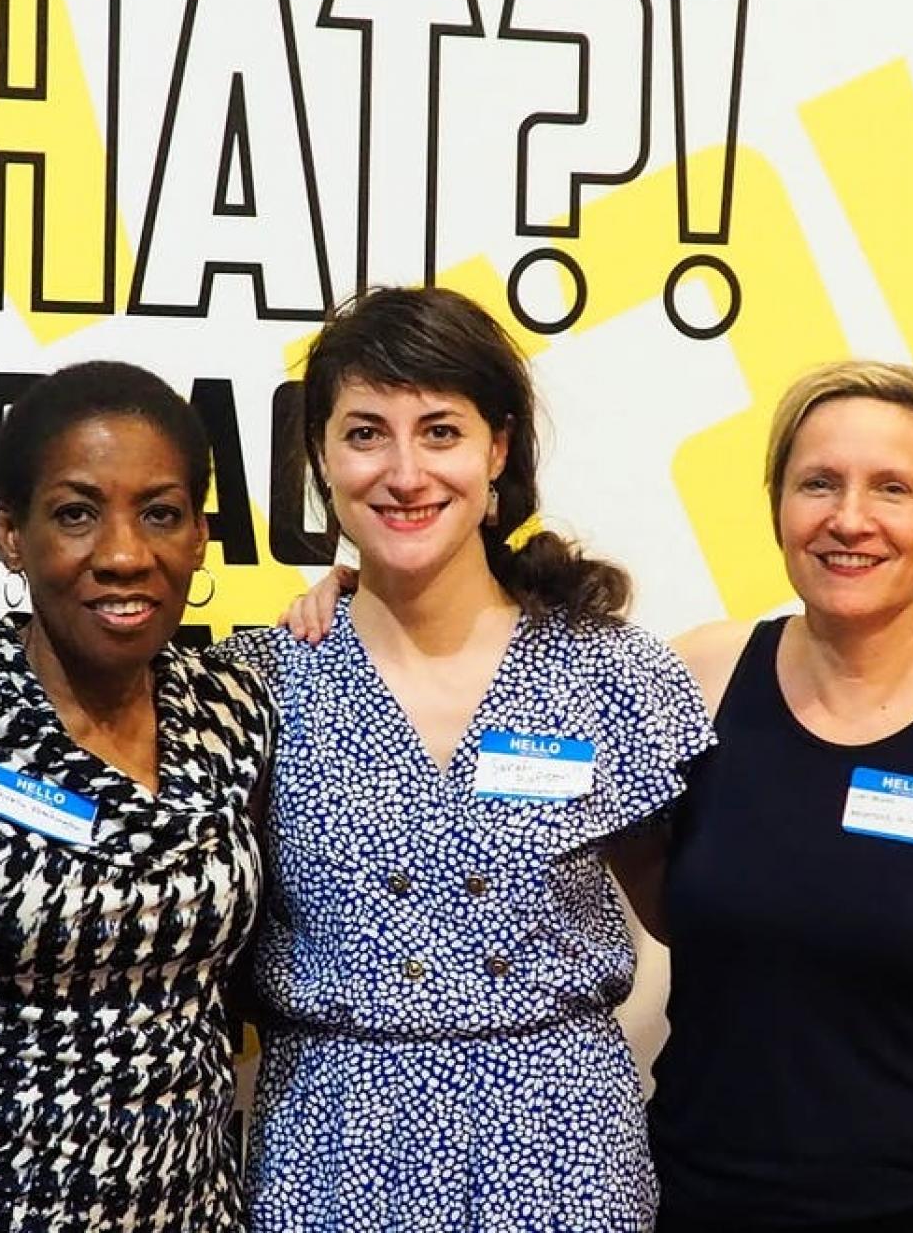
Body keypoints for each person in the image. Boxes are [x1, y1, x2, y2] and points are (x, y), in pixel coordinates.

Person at [224, 286, 714, 1232]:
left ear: (498, 450)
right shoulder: (257, 683)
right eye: (366, 433)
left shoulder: (608, 671)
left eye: (440, 431)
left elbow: (708, 918)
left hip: (562, 1153)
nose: (405, 473)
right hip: (330, 1152)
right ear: (320, 458)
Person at [646, 360, 913, 1233]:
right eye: (818, 484)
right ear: (778, 508)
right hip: (712, 1199)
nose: (850, 520)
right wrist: (365, 598)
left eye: (892, 489)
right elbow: (501, 679)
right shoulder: (695, 677)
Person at [0, 362, 274, 1230]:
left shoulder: (235, 708)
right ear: (10, 535)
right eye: (75, 513)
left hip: (196, 1208)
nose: (125, 554)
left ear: (202, 535)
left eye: (161, 513)